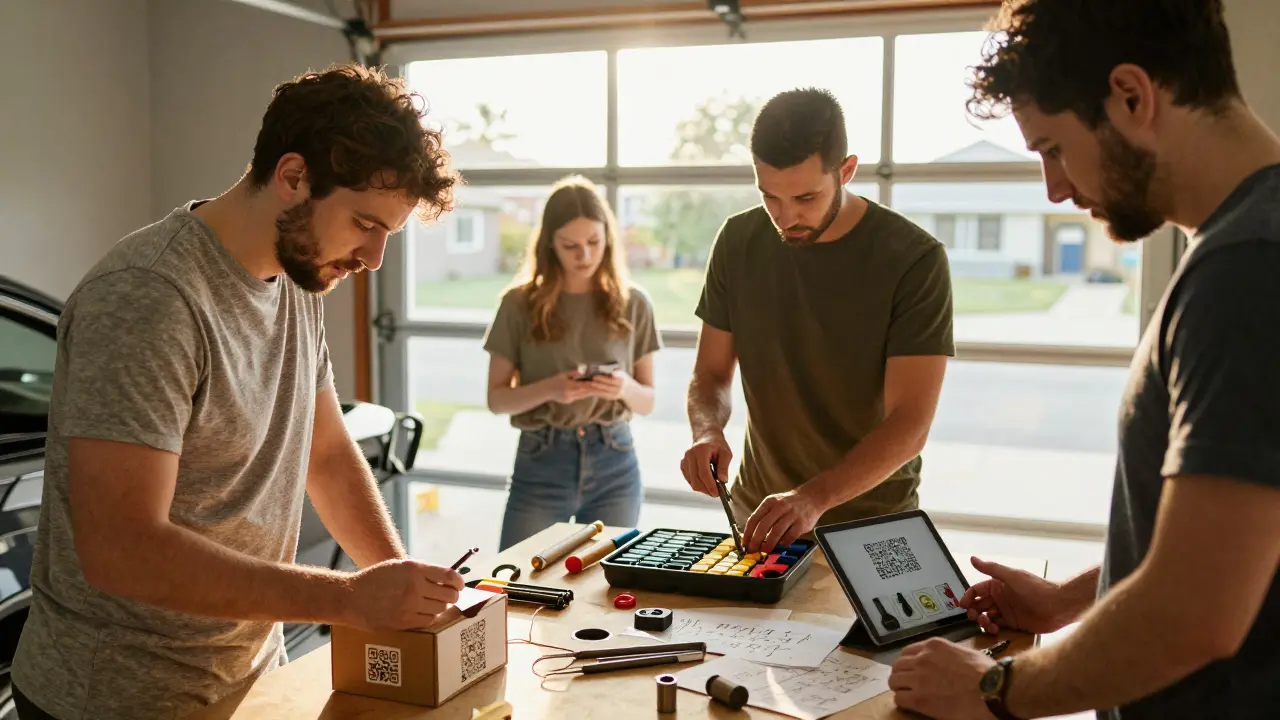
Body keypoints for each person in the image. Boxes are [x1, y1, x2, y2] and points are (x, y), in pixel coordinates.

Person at [11, 64, 465, 720]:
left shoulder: (298, 277)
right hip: (115, 699)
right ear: (292, 178)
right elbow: (121, 550)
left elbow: (328, 457)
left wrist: (405, 593)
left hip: (246, 681)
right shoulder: (149, 297)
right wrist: (349, 600)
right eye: (366, 223)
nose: (374, 258)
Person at [888, 1, 1280, 719]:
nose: (1056, 188)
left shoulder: (1248, 270)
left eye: (1053, 148)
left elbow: (1197, 611)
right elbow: (1238, 535)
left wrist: (991, 688)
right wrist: (1074, 598)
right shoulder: (1245, 247)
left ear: (1131, 96)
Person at [680, 88, 955, 554]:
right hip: (759, 520)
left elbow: (910, 422)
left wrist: (813, 498)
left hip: (874, 528)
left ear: (846, 171)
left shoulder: (914, 260)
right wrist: (707, 430)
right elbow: (710, 374)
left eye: (806, 197)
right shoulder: (738, 241)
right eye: (770, 197)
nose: (786, 217)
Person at [483, 176, 661, 551]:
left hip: (615, 460)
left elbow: (647, 401)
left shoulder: (634, 303)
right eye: (571, 246)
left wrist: (623, 387)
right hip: (541, 461)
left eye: (594, 242)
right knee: (516, 586)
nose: (584, 255)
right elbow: (497, 400)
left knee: (605, 595)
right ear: (550, 243)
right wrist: (552, 389)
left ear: (608, 238)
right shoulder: (518, 304)